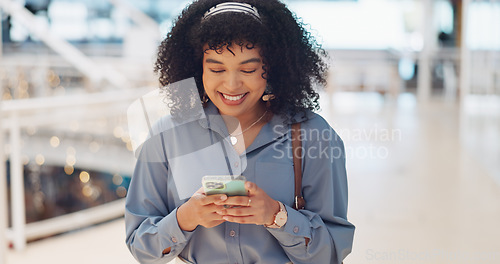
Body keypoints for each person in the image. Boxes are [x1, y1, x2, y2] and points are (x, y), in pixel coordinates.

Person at [125, 1, 355, 263]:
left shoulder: (314, 136)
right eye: (216, 69)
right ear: (198, 68)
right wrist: (185, 218)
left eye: (248, 69)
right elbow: (140, 246)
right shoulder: (167, 135)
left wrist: (277, 215)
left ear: (272, 67)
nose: (232, 85)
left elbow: (331, 252)